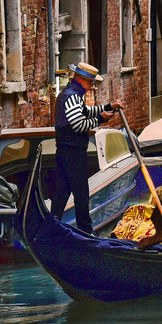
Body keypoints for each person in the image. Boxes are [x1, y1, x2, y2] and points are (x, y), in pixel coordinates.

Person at [52, 61, 115, 232]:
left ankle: (52, 227)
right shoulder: (71, 96)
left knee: (62, 192)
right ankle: (85, 231)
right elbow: (78, 124)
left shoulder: (71, 94)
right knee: (80, 194)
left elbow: (86, 111)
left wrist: (110, 107)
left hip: (67, 151)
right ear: (80, 79)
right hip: (72, 153)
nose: (91, 85)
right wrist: (101, 119)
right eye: (90, 81)